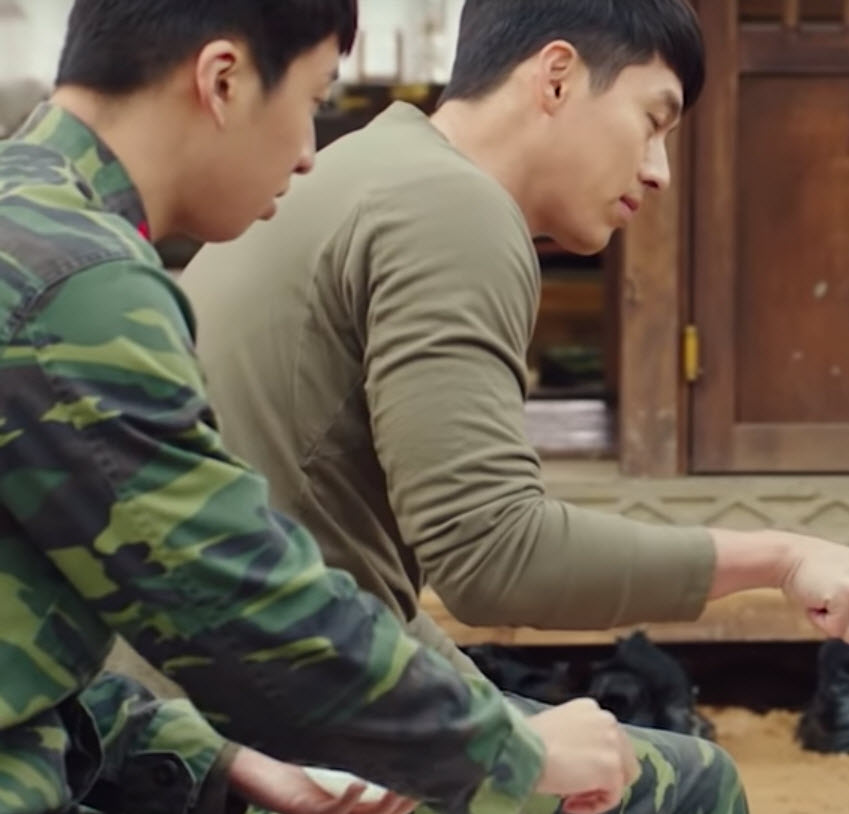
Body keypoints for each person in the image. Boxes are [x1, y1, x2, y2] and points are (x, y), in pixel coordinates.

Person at [142, 0, 849, 810]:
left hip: (176, 694)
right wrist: (780, 560)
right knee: (690, 785)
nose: (659, 170)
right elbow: (492, 556)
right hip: (252, 732)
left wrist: (479, 703)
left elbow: (363, 578)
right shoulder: (454, 209)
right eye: (652, 120)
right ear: (556, 77)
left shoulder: (369, 166)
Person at [0, 1, 641, 813]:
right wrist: (510, 748)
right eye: (312, 100)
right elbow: (235, 601)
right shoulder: (79, 283)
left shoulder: (28, 217)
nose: (309, 153)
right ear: (223, 81)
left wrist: (210, 758)